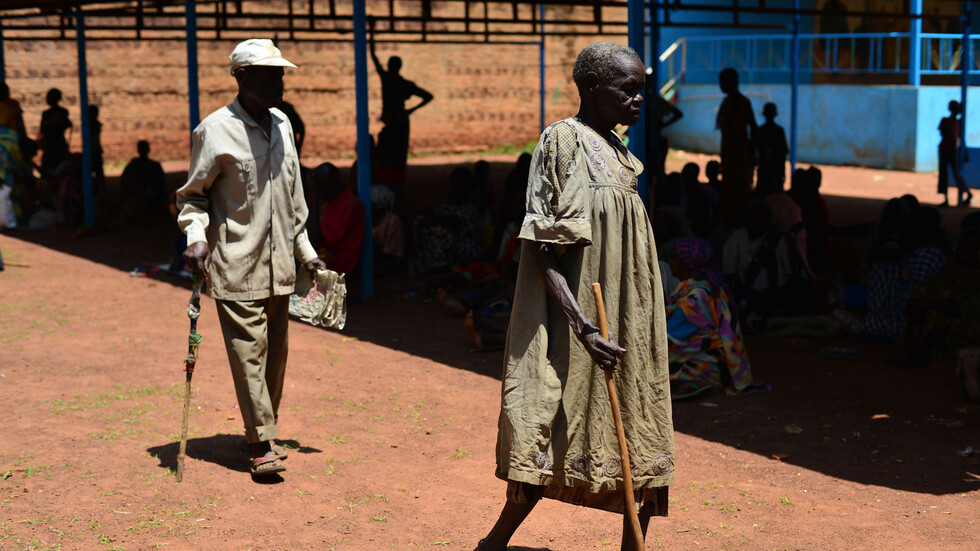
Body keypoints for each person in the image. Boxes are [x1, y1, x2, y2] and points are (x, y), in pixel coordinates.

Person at [481, 42, 673, 551]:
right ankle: (495, 541)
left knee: (637, 422)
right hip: (576, 319)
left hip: (629, 316)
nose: (638, 99)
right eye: (626, 89)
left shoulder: (621, 151)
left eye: (641, 90)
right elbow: (539, 245)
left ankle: (634, 546)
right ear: (591, 88)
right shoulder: (561, 140)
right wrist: (583, 326)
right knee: (551, 418)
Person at [176, 38, 326, 478]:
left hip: (281, 266)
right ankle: (262, 441)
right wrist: (196, 237)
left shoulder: (282, 124)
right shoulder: (214, 130)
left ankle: (263, 428)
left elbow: (293, 201)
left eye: (280, 73)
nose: (279, 81)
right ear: (241, 78)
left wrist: (308, 255)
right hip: (236, 263)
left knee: (274, 357)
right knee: (248, 354)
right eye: (268, 73)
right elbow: (192, 199)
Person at [665, 238, 753, 399]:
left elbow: (666, 339)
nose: (669, 261)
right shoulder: (709, 288)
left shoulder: (694, 298)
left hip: (703, 367)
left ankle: (693, 383)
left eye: (672, 256)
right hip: (718, 365)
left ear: (685, 262)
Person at [369, 19, 433, 172]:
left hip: (394, 122)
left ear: (393, 67)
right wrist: (410, 110)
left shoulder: (389, 80)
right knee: (396, 155)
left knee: (390, 155)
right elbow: (428, 96)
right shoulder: (403, 84)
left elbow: (373, 56)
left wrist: (371, 32)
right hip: (399, 122)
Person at [715, 68, 757, 223]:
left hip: (740, 157)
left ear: (731, 82)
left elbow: (753, 127)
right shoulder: (727, 102)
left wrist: (751, 153)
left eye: (723, 81)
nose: (721, 85)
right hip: (729, 156)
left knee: (740, 192)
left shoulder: (742, 102)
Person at [315, 161, 366, 275]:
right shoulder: (332, 200)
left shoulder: (347, 204)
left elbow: (317, 237)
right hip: (328, 256)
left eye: (320, 185)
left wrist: (314, 196)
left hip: (340, 265)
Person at [937, 100, 972, 208]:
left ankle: (967, 193)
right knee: (944, 175)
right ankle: (946, 199)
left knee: (955, 175)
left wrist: (965, 151)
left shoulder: (957, 123)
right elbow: (944, 133)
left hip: (952, 151)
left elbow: (961, 138)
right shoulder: (947, 121)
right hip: (945, 150)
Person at [120, 140, 167, 216]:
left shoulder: (153, 166)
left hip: (151, 195)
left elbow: (161, 185)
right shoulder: (135, 165)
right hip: (138, 195)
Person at [38, 88, 72, 178]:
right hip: (59, 144)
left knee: (48, 169)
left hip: (50, 145)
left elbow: (42, 130)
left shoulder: (47, 114)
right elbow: (68, 125)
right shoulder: (63, 112)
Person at [756, 102, 788, 194]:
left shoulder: (761, 130)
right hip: (775, 170)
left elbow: (756, 151)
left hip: (765, 171)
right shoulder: (778, 131)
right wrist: (783, 172)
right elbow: (783, 154)